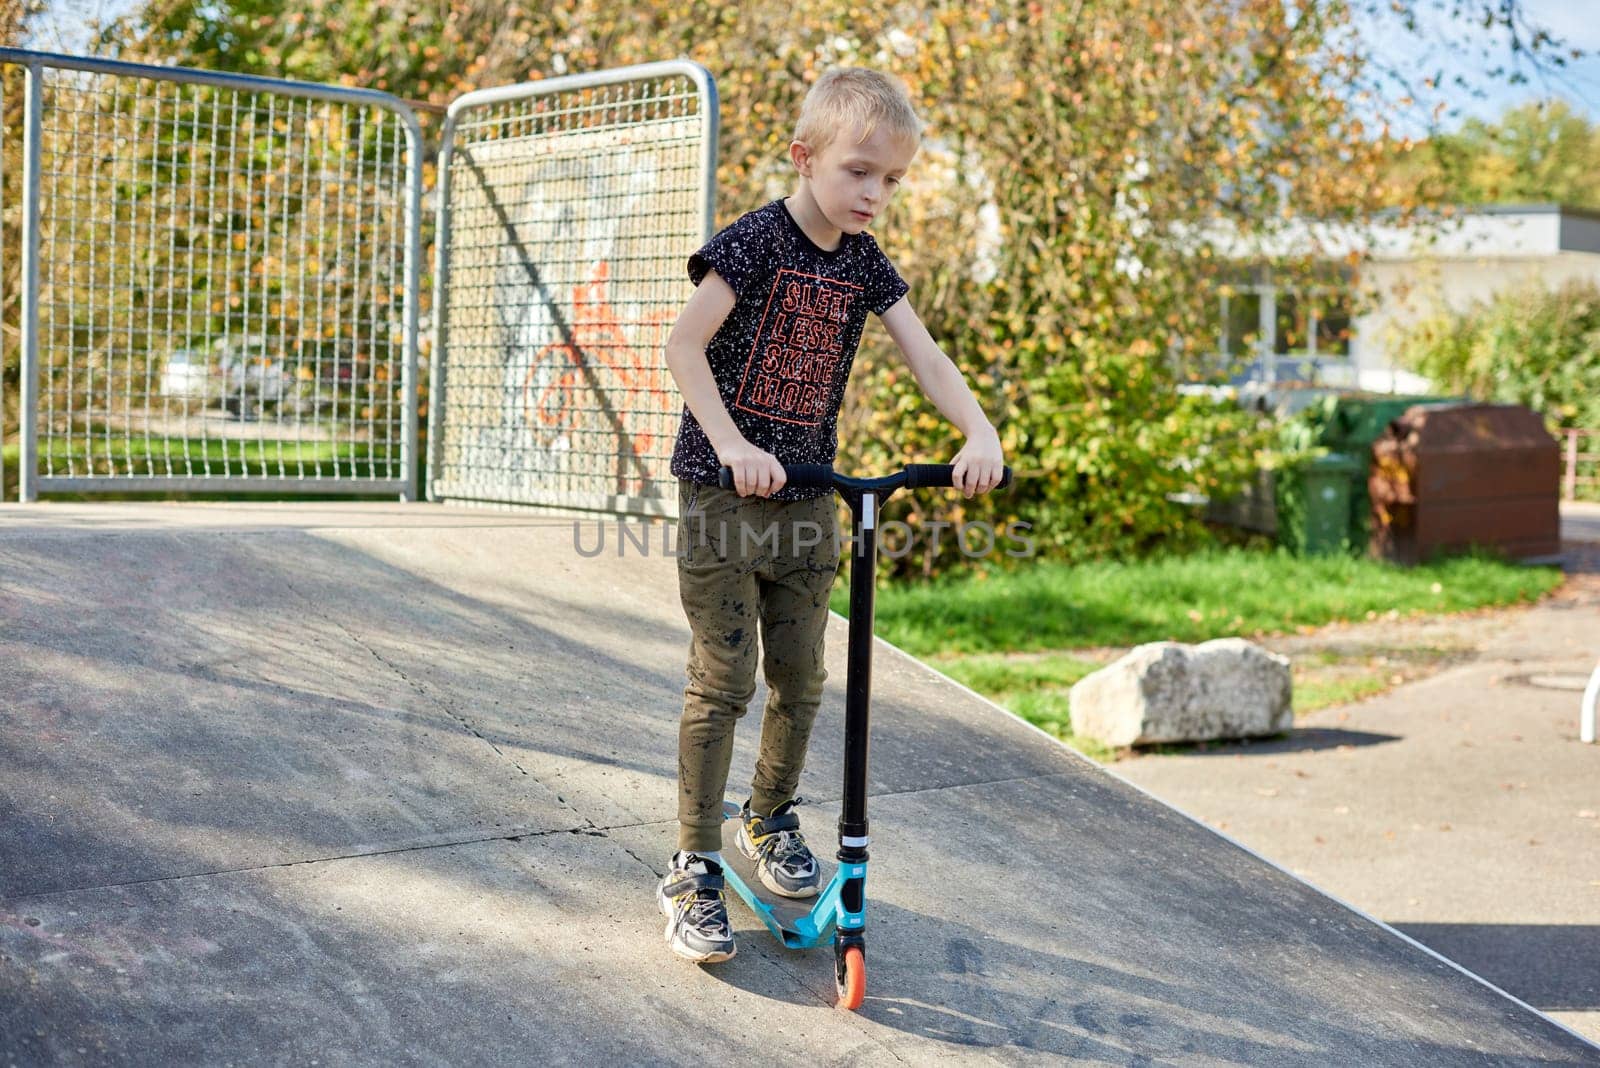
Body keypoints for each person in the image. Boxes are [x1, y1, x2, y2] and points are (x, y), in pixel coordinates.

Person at [656, 66, 1006, 963]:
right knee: (723, 681)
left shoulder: (863, 264)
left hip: (811, 495)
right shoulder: (754, 243)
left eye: (891, 179)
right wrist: (733, 445)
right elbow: (684, 345)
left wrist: (976, 427)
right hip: (722, 495)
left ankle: (766, 819)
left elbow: (923, 353)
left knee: (804, 680)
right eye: (860, 171)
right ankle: (692, 861)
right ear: (805, 158)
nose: (875, 194)